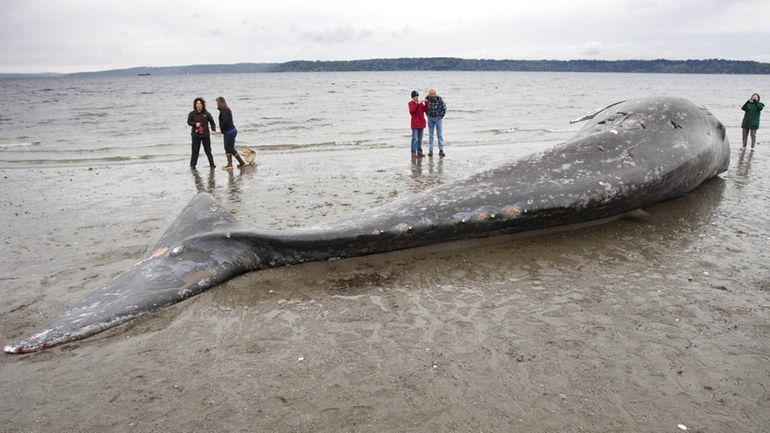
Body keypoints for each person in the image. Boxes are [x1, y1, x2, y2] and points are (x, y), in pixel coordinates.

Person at [216, 96, 246, 169]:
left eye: (217, 102)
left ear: (221, 102)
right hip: (231, 131)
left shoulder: (224, 110)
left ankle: (238, 163)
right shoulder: (226, 109)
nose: (217, 104)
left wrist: (222, 128)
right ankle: (232, 163)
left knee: (229, 148)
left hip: (229, 132)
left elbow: (225, 121)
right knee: (228, 148)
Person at [187, 97, 217, 169]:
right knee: (195, 151)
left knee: (208, 150)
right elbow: (189, 122)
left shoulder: (206, 113)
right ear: (195, 105)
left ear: (203, 105)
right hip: (195, 135)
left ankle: (212, 165)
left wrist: (213, 129)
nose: (199, 105)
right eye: (197, 103)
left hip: (205, 135)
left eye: (200, 103)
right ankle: (192, 165)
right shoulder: (192, 113)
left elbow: (212, 122)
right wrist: (194, 124)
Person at [425, 88, 447, 158]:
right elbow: (425, 108)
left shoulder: (439, 99)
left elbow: (444, 108)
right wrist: (427, 115)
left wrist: (441, 116)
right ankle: (430, 151)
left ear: (435, 94)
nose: (432, 96)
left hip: (438, 118)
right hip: (430, 118)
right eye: (431, 95)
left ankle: (441, 150)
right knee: (431, 135)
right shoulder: (427, 99)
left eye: (433, 95)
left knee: (439, 135)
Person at [408, 90, 427, 159]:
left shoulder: (420, 103)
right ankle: (413, 153)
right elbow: (412, 111)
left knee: (420, 139)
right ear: (412, 97)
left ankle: (419, 152)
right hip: (415, 124)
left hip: (421, 123)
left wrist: (426, 103)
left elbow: (425, 110)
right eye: (415, 96)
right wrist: (418, 104)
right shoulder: (411, 103)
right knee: (415, 139)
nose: (416, 97)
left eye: (417, 96)